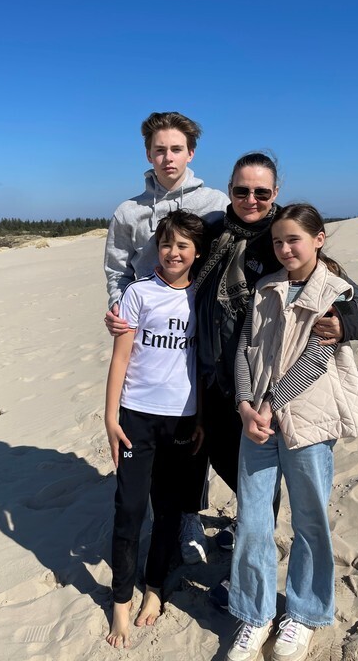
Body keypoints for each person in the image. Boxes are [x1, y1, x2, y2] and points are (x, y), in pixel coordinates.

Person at [194, 152, 358, 609]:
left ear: (275, 194)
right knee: (230, 467)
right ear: (229, 190)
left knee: (273, 491)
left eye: (261, 192)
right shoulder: (213, 232)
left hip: (268, 386)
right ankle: (250, 551)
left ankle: (271, 588)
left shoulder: (283, 237)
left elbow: (347, 296)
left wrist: (346, 322)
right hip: (220, 375)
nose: (250, 199)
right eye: (241, 190)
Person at [224, 203, 358, 661]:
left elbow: (317, 357)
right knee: (252, 520)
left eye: (295, 240)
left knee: (310, 521)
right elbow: (246, 349)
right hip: (258, 425)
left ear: (319, 239)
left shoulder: (336, 292)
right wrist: (245, 406)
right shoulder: (266, 287)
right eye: (278, 241)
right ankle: (255, 613)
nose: (285, 249)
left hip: (308, 421)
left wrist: (270, 404)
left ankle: (305, 614)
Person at [104, 111, 229, 565]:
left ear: (190, 153)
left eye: (176, 148)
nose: (167, 156)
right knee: (144, 413)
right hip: (145, 329)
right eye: (159, 149)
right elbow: (117, 268)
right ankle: (154, 509)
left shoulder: (216, 202)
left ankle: (189, 513)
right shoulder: (128, 212)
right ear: (148, 154)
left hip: (201, 328)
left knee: (192, 419)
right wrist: (119, 310)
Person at [105, 210, 206, 649]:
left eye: (183, 245)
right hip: (136, 415)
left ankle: (154, 588)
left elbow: (202, 362)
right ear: (156, 249)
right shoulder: (138, 294)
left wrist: (201, 417)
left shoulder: (201, 299)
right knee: (129, 508)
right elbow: (121, 358)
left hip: (182, 418)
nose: (173, 253)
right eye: (166, 245)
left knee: (167, 509)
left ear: (196, 252)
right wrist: (110, 417)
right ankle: (120, 601)